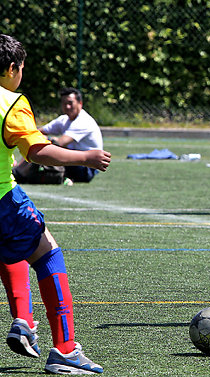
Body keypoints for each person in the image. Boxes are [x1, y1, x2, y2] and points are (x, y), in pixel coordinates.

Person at [0, 34, 109, 374]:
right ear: (13, 68)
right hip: (2, 197)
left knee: (13, 248)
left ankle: (24, 320)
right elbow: (36, 150)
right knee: (47, 252)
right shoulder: (10, 102)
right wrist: (85, 157)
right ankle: (64, 350)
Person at [13, 87, 103, 184]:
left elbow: (59, 143)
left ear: (80, 103)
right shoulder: (64, 119)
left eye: (70, 103)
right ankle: (20, 171)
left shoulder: (83, 121)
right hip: (75, 161)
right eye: (64, 104)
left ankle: (20, 173)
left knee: (43, 148)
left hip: (86, 167)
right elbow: (36, 132)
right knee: (38, 142)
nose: (67, 106)